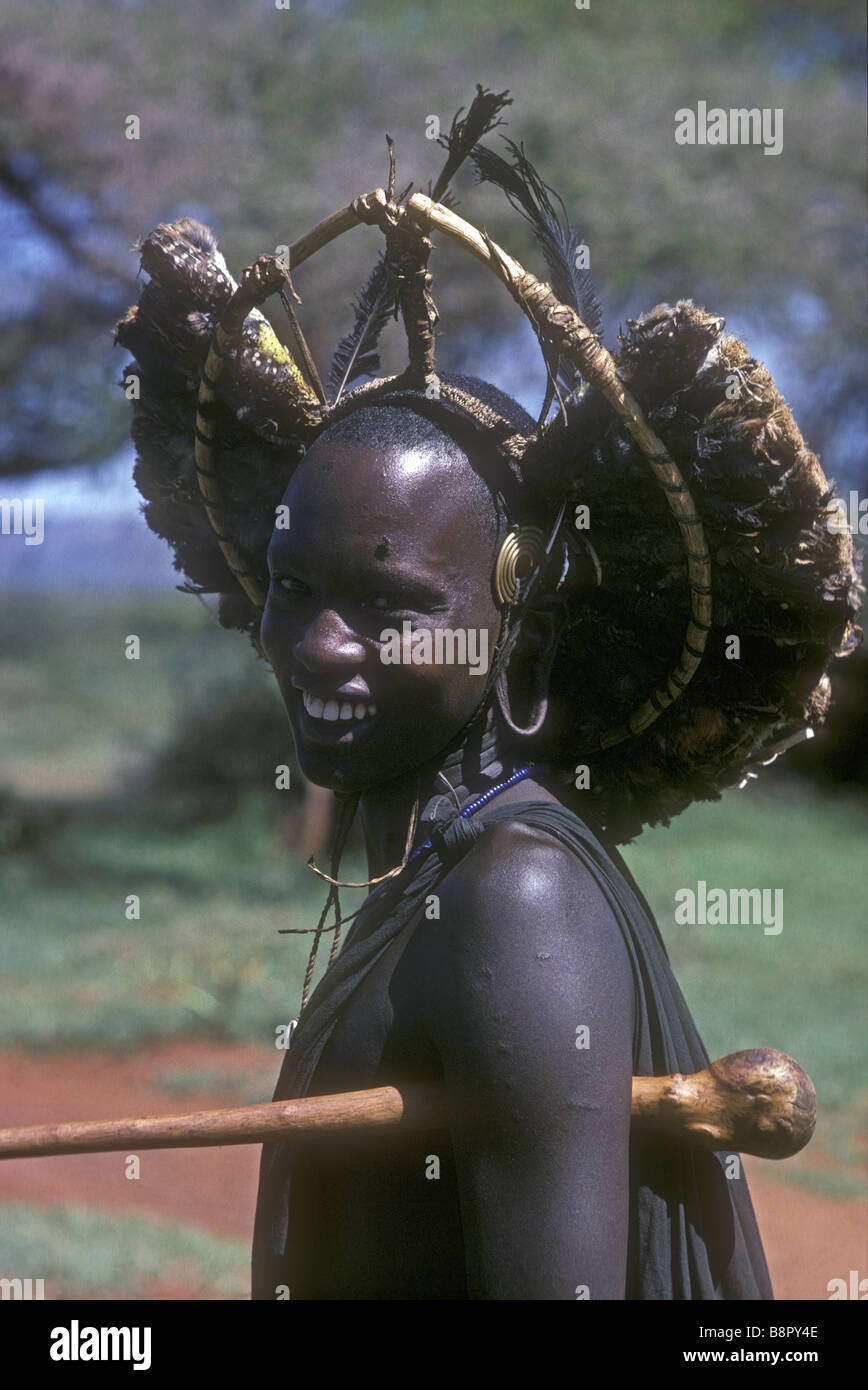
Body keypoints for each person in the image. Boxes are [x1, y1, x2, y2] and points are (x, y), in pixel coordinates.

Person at [116, 90, 861, 1299]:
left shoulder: (516, 899)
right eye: (295, 587)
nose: (315, 646)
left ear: (516, 637)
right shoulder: (443, 870)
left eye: (390, 607)